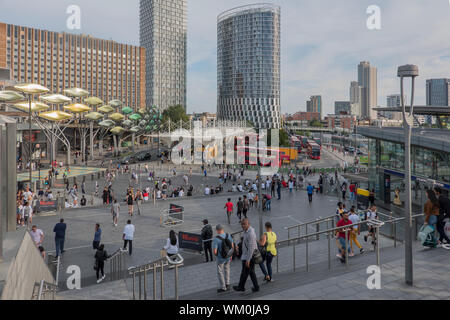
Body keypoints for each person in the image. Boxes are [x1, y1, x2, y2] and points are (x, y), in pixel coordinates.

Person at [233, 219, 259, 293]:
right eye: (242, 224)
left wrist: (248, 260)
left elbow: (251, 248)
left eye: (244, 224)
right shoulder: (246, 231)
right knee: (251, 273)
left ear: (248, 224)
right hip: (246, 255)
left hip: (249, 257)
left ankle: (241, 287)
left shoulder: (251, 234)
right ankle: (256, 287)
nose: (243, 226)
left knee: (244, 273)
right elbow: (244, 241)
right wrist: (238, 245)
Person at [213, 224, 234, 293]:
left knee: (220, 272)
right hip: (228, 257)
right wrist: (231, 255)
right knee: (227, 269)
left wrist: (218, 256)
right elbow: (232, 246)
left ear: (218, 230)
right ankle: (227, 284)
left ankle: (223, 287)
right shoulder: (228, 235)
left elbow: (215, 251)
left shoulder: (216, 239)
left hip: (221, 259)